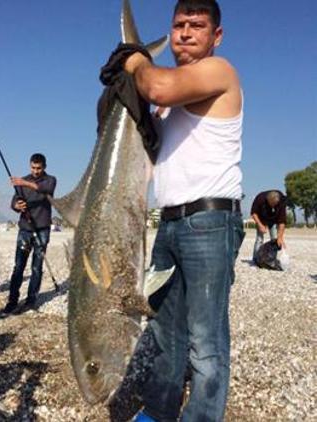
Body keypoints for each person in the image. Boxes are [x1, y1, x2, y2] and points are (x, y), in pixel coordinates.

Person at [120, 1, 245, 421]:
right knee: (163, 332)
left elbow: (155, 85)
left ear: (217, 36)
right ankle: (158, 412)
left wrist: (134, 59)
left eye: (197, 25)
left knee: (205, 342)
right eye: (178, 25)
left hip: (210, 223)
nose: (186, 33)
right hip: (170, 224)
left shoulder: (218, 70)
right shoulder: (169, 107)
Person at [2, 153, 56, 314]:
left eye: (39, 168)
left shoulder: (50, 180)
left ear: (44, 167)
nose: (36, 171)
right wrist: (17, 206)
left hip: (42, 229)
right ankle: (12, 301)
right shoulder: (22, 183)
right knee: (19, 266)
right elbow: (13, 202)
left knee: (36, 268)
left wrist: (24, 182)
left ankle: (31, 301)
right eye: (33, 167)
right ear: (30, 165)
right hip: (25, 229)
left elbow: (46, 189)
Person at [250, 190, 287, 260]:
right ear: (268, 200)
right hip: (261, 219)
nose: (274, 205)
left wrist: (280, 237)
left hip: (273, 220)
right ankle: (256, 259)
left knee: (275, 239)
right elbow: (253, 213)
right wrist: (260, 225)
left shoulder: (282, 200)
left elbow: (282, 220)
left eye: (276, 204)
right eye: (272, 203)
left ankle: (272, 258)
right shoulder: (260, 198)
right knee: (259, 239)